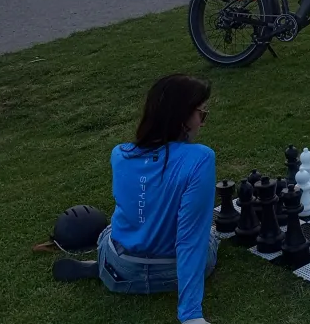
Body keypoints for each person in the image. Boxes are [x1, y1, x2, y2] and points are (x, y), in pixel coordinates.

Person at [51, 75, 217, 324]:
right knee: (210, 235)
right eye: (201, 115)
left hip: (121, 269)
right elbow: (190, 239)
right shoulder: (200, 158)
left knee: (113, 229)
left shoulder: (120, 154)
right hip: (170, 274)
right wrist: (191, 315)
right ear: (183, 118)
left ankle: (103, 265)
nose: (201, 123)